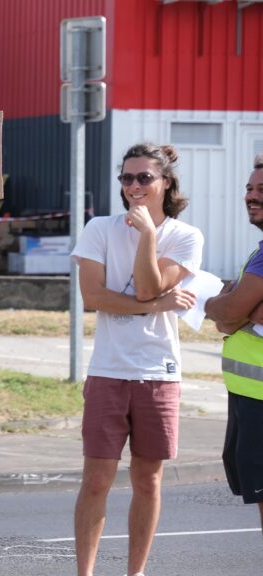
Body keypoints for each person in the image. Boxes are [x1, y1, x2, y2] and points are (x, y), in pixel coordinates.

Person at [71, 142, 203, 576]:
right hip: (108, 371)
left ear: (166, 183)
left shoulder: (185, 236)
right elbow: (94, 296)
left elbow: (146, 286)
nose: (133, 186)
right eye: (126, 178)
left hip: (158, 374)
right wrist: (157, 305)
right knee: (96, 481)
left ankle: (136, 572)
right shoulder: (99, 229)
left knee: (148, 481)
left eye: (144, 177)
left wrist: (148, 233)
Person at [204, 156, 263, 539]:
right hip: (248, 395)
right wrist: (232, 310)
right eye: (249, 188)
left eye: (261, 191)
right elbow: (233, 314)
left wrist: (221, 306)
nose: (251, 196)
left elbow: (230, 309)